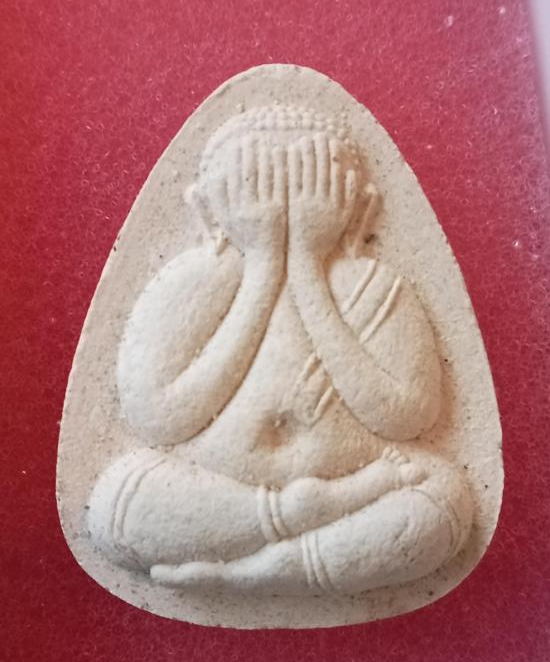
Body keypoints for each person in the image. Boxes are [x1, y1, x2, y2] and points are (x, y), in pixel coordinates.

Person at [88, 106, 473, 595]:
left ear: (360, 209)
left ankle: (267, 570)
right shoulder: (193, 280)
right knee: (118, 499)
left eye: (309, 185)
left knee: (444, 498)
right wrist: (264, 265)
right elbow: (157, 419)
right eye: (259, 183)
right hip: (227, 494)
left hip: (359, 486)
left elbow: (409, 417)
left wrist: (309, 267)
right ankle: (293, 521)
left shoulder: (375, 285)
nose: (284, 207)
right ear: (207, 207)